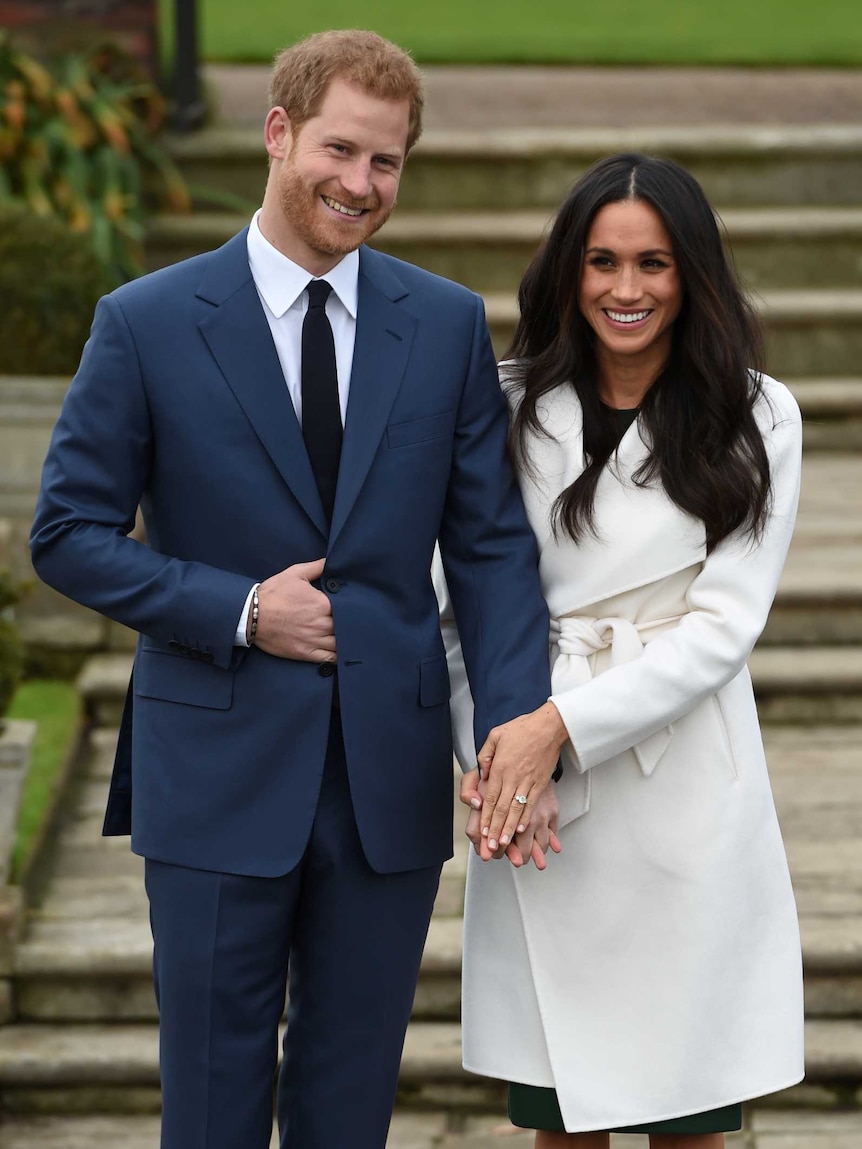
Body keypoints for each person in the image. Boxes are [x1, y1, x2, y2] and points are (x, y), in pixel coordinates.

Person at [29, 30, 562, 1149]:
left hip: (387, 782)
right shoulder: (147, 321)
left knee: (350, 1100)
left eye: (387, 163)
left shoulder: (446, 325)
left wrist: (514, 726)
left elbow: (492, 551)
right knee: (213, 1104)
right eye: (340, 150)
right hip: (214, 770)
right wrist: (238, 608)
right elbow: (68, 536)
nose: (360, 185)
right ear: (278, 134)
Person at [439, 152, 805, 1147]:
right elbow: (459, 604)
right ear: (570, 271)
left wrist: (556, 729)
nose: (626, 289)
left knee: (689, 1113)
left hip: (678, 779)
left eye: (654, 263)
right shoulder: (502, 402)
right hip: (532, 786)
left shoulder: (756, 411)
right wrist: (499, 756)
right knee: (562, 1115)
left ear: (692, 274)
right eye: (602, 262)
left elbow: (722, 626)